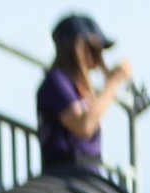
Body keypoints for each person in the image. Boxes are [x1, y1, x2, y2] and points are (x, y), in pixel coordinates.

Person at [38, 13, 132, 180]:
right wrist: (113, 82)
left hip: (87, 175)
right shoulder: (56, 82)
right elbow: (84, 126)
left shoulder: (78, 88)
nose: (98, 58)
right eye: (95, 49)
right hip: (65, 176)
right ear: (78, 47)